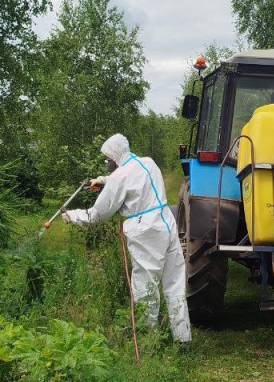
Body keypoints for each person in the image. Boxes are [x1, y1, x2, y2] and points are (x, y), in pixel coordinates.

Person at [62, 133, 191, 345]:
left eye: (107, 160)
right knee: (175, 283)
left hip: (145, 231)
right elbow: (129, 178)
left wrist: (72, 216)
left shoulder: (119, 178)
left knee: (145, 287)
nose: (106, 163)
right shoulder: (147, 162)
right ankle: (182, 339)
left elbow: (97, 214)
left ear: (114, 157)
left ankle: (148, 340)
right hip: (166, 223)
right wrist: (103, 181)